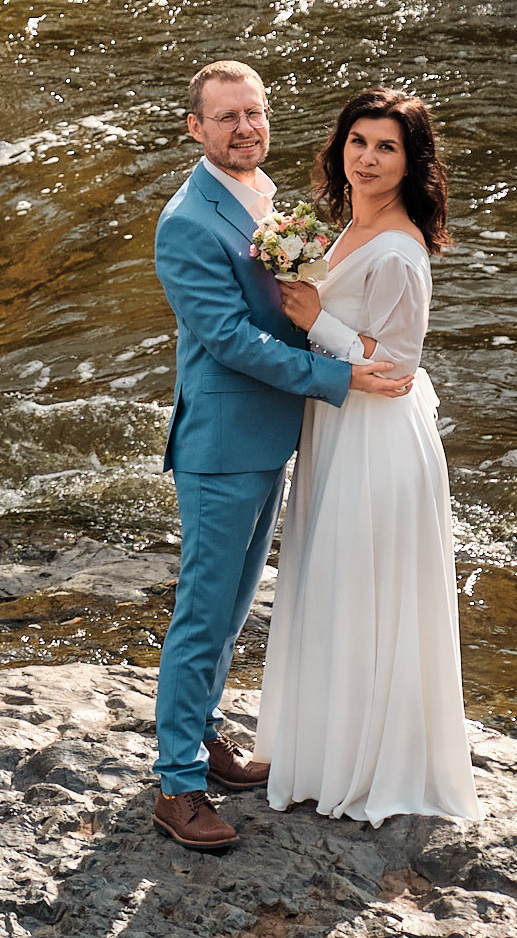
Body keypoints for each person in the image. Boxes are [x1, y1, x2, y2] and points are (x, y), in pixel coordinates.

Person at [149, 61, 410, 852]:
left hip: (271, 436)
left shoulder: (263, 197)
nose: (245, 129)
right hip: (223, 444)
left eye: (254, 113)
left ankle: (205, 738)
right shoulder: (187, 222)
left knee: (233, 610)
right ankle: (176, 786)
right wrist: (339, 376)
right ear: (195, 128)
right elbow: (231, 340)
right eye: (226, 117)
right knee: (203, 612)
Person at [256, 87, 480, 823]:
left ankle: (373, 764)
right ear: (340, 148)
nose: (369, 159)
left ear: (412, 163)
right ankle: (322, 751)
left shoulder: (401, 251)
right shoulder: (348, 228)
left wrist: (317, 319)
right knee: (330, 586)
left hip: (378, 439)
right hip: (337, 425)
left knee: (361, 589)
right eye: (359, 142)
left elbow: (395, 369)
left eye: (387, 147)